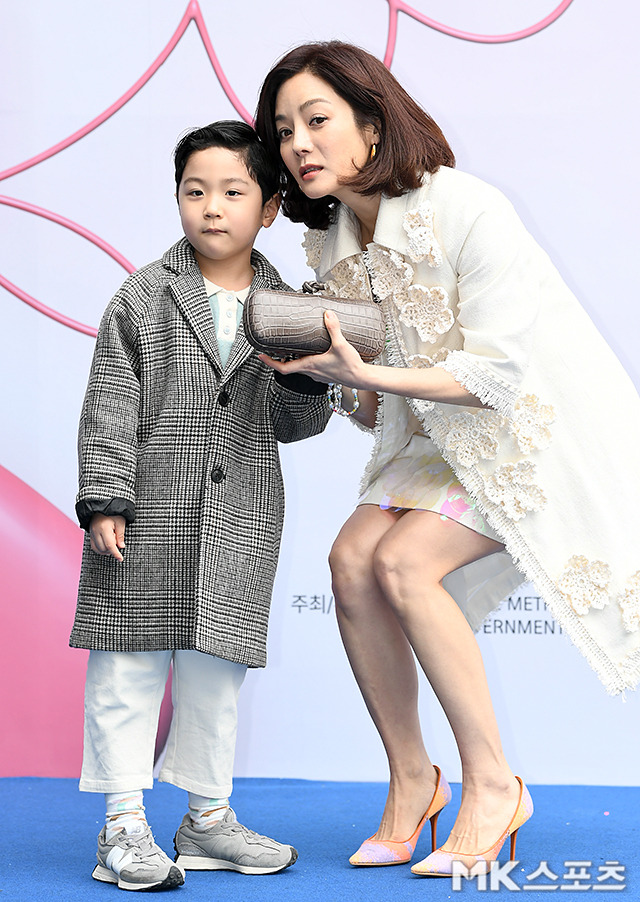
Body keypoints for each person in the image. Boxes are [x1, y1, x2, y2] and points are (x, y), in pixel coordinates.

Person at [254, 42, 640, 876]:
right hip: (435, 436)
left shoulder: (466, 206)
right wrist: (332, 379)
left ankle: (495, 783)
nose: (298, 145)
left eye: (317, 120)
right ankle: (412, 781)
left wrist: (364, 373)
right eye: (284, 130)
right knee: (350, 559)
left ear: (370, 119)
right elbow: (373, 401)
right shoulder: (331, 244)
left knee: (402, 562)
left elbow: (497, 375)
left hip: (528, 431)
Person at [70, 120, 330, 892]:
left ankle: (206, 822)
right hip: (146, 511)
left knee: (217, 673)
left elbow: (298, 426)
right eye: (194, 191)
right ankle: (122, 825)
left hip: (241, 514)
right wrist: (106, 498)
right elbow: (109, 403)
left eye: (232, 191)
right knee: (127, 665)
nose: (211, 208)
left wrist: (303, 377)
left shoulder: (288, 305)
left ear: (270, 206)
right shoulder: (144, 295)